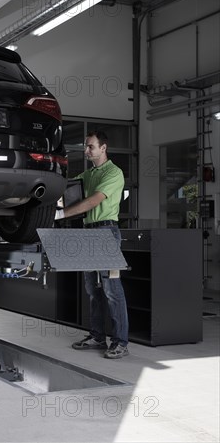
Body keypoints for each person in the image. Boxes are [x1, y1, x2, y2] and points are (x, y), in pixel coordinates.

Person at [55, 130, 129, 359]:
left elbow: (92, 201)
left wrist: (61, 214)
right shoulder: (88, 175)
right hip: (88, 233)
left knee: (112, 291)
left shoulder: (114, 173)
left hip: (106, 233)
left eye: (90, 146)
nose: (86, 150)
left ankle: (120, 342)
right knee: (92, 291)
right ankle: (97, 337)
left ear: (103, 148)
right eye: (86, 146)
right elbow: (71, 194)